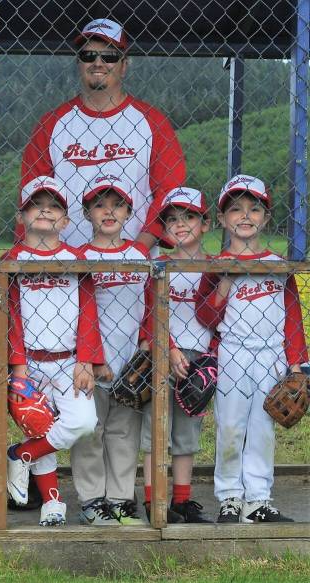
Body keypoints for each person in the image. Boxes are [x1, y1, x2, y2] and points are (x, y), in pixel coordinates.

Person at [195, 175, 306, 523]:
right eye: (236, 209)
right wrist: (226, 279)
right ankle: (229, 497)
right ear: (224, 218)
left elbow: (292, 318)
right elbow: (205, 314)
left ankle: (257, 500)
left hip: (271, 355)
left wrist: (296, 363)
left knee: (263, 426)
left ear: (266, 217)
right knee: (230, 426)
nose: (245, 215)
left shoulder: (278, 264)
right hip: (233, 353)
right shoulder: (217, 265)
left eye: (254, 208)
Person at [20, 18, 185, 249]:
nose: (98, 62)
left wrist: (140, 249)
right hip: (66, 261)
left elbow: (169, 192)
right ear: (79, 63)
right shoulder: (52, 123)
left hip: (135, 262)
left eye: (109, 56)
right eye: (88, 56)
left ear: (124, 65)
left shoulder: (153, 122)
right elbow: (30, 194)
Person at [3, 176, 101, 527]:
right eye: (35, 203)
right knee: (38, 423)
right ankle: (52, 503)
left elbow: (88, 311)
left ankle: (21, 455)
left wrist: (87, 360)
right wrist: (17, 368)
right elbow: (10, 317)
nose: (45, 209)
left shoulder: (74, 259)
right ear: (22, 215)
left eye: (54, 205)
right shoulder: (11, 260)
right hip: (28, 362)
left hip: (68, 361)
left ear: (65, 220)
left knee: (84, 422)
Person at [69, 175, 149, 525]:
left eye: (117, 204)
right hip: (92, 362)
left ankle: (120, 497)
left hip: (131, 360)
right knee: (91, 431)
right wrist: (92, 358)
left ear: (129, 211)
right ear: (87, 212)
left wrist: (145, 348)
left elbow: (151, 304)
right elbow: (74, 310)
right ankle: (92, 497)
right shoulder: (78, 258)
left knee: (123, 432)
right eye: (100, 204)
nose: (109, 211)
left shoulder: (139, 255)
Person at [137, 187, 213, 523]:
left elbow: (223, 317)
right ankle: (155, 501)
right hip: (162, 354)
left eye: (189, 216)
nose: (180, 224)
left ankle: (182, 499)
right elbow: (149, 313)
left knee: (186, 433)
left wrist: (211, 359)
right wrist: (167, 349)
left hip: (200, 358)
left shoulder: (216, 267)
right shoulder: (158, 266)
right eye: (172, 219)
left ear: (206, 223)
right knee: (157, 430)